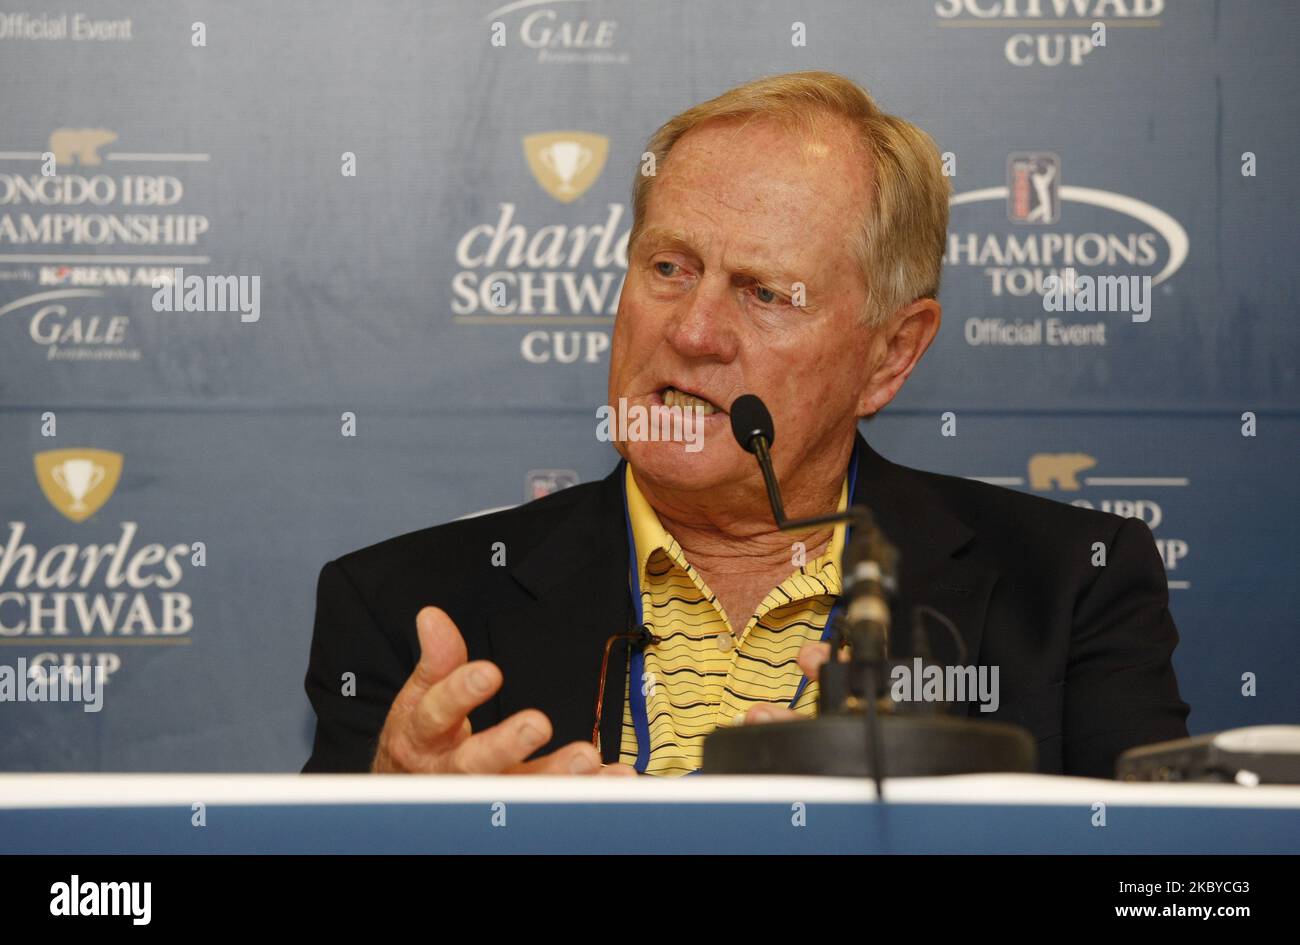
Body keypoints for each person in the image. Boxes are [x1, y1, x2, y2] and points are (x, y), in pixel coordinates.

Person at [302, 70, 1189, 778]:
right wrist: (392, 829)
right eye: (669, 266)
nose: (691, 332)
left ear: (890, 355)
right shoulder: (407, 610)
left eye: (766, 293)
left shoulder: (1071, 589)